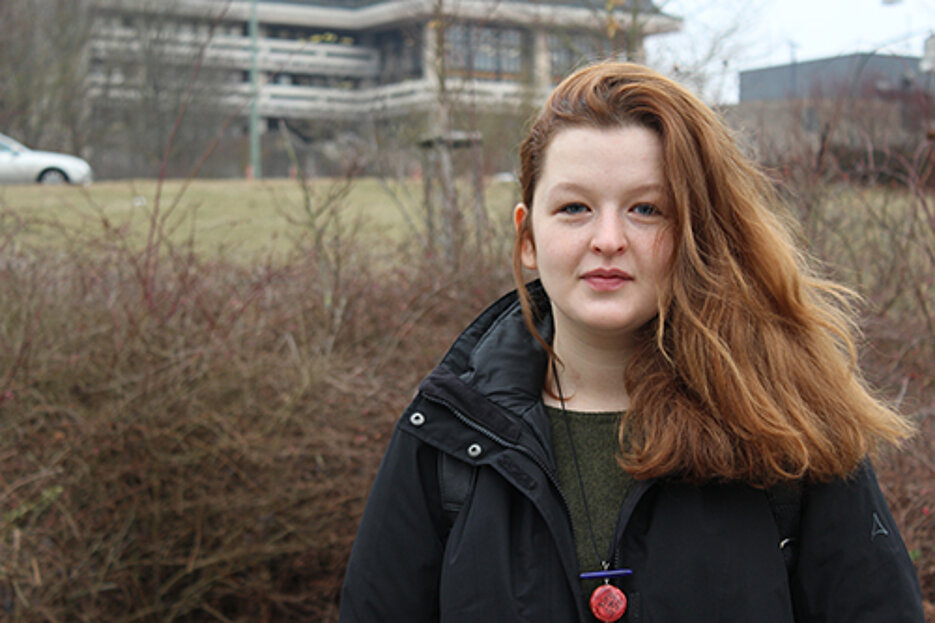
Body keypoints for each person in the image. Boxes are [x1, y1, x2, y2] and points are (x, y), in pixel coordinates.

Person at [338, 62, 925, 622]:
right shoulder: (448, 437)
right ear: (527, 238)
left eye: (647, 209)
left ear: (697, 232)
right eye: (575, 208)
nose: (609, 238)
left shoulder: (789, 430)